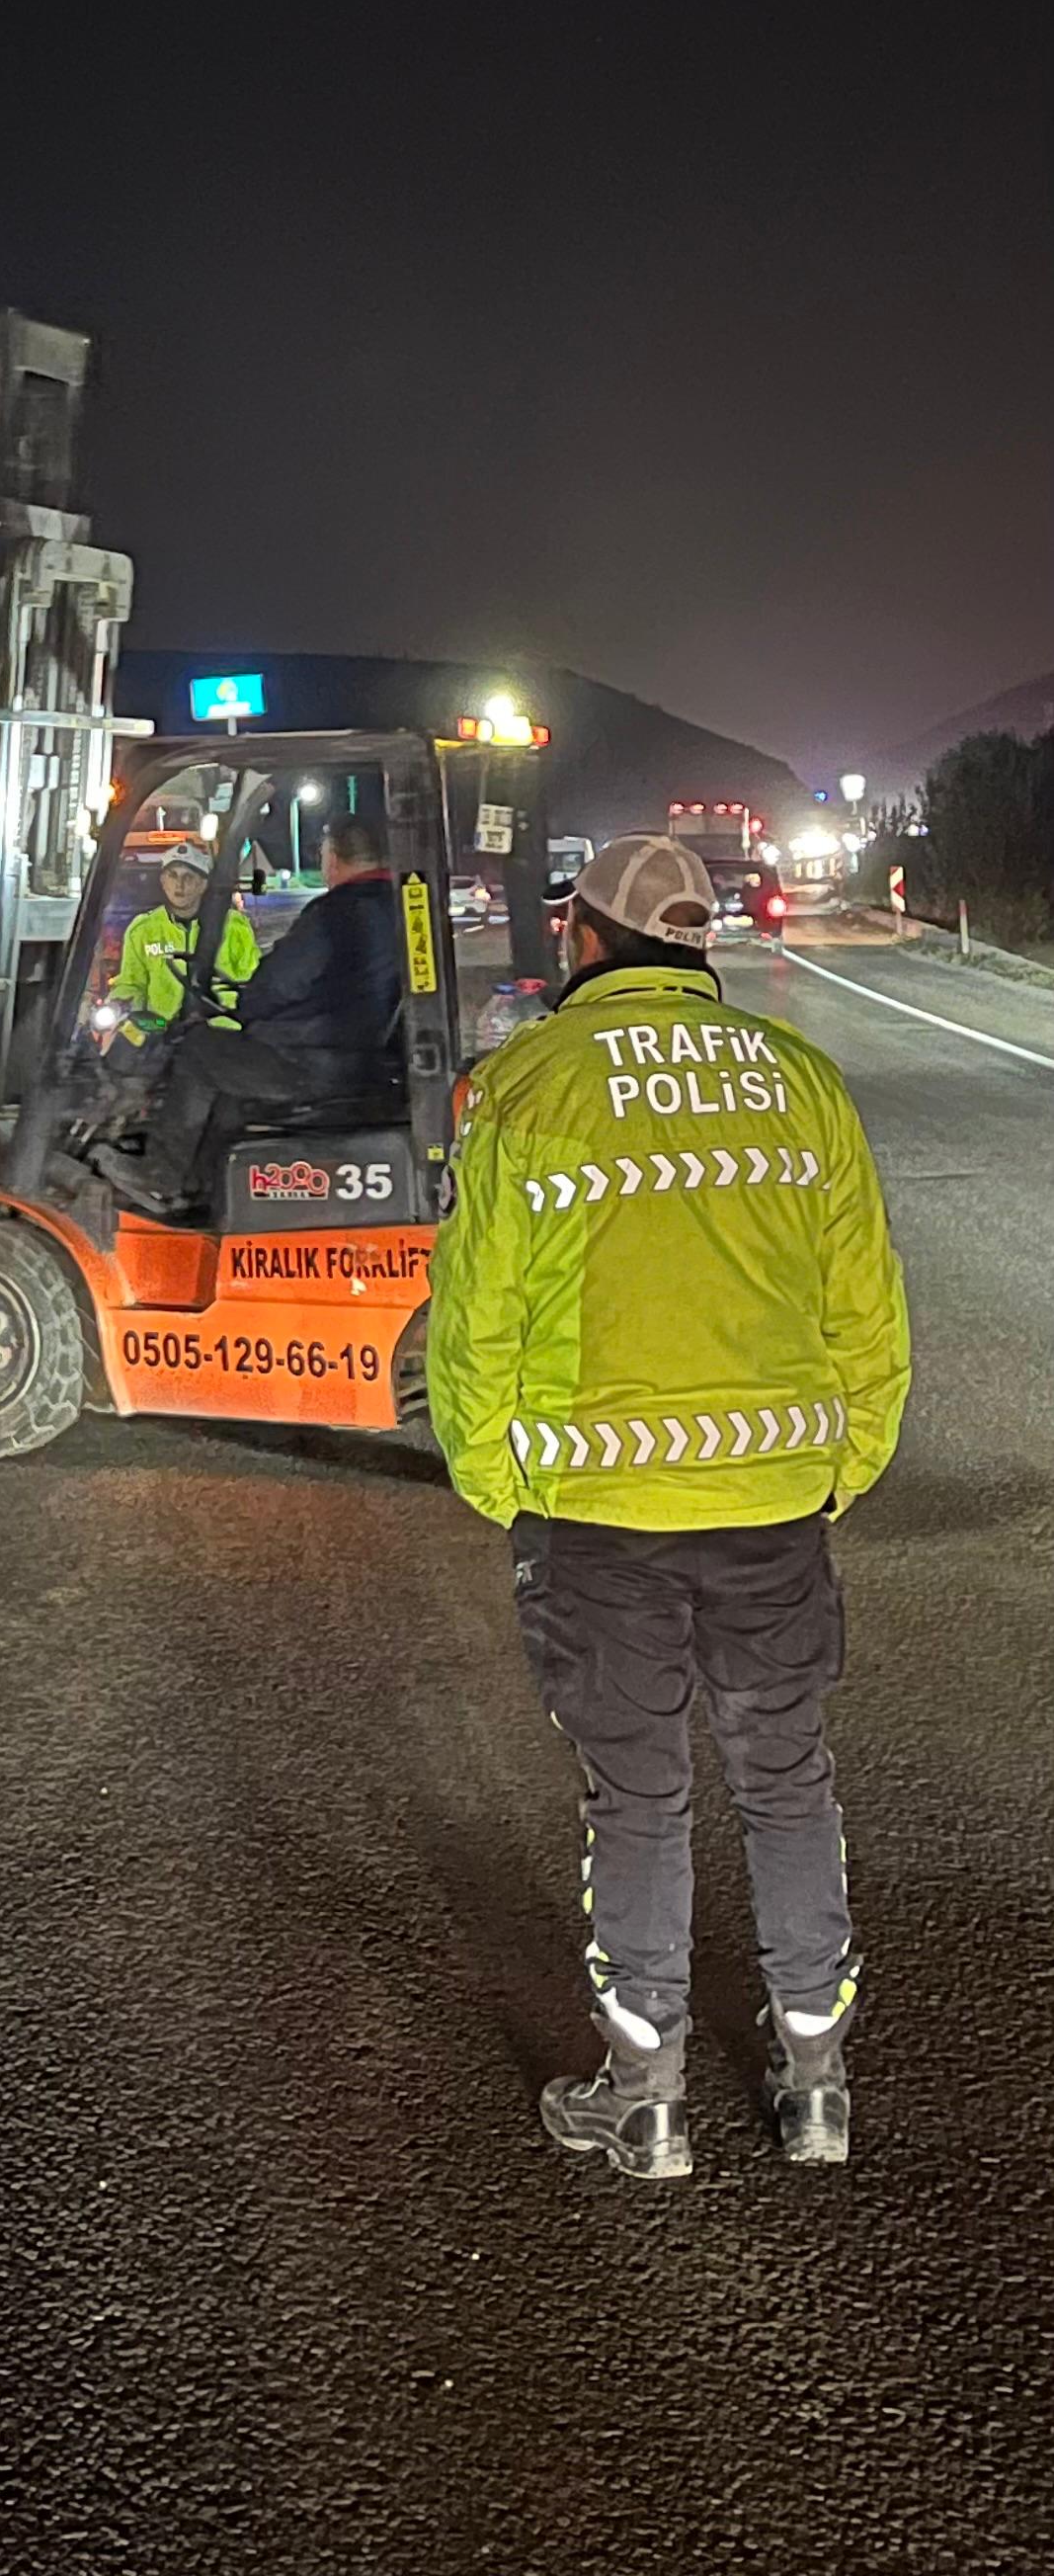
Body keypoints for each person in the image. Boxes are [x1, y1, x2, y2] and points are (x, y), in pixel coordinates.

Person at [428, 833, 911, 2183]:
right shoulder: (799, 1082)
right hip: (773, 1501)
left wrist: (498, 1478)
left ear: (584, 939)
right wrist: (844, 1462)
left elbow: (476, 1320)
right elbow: (866, 1308)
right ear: (698, 943)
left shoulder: (528, 1085)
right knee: (786, 1777)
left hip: (598, 1515)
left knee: (638, 1797)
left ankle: (647, 2107)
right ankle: (816, 2088)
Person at [92, 815, 401, 1210]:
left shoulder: (334, 914)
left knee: (198, 1050)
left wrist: (249, 1007)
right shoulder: (395, 907)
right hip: (350, 1054)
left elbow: (277, 983)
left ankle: (161, 1175)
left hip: (308, 1059)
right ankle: (202, 1185)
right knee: (229, 1085)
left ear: (335, 858)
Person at [108, 839, 261, 1050]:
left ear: (202, 884)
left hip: (221, 1036)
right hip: (162, 1036)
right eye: (172, 876)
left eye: (188, 877)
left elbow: (253, 982)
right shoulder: (144, 930)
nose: (179, 885)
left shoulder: (233, 926)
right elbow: (132, 983)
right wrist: (120, 1003)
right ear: (163, 881)